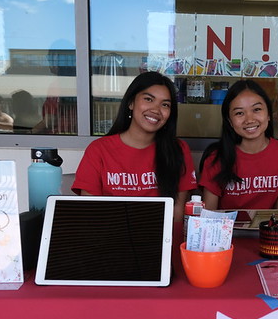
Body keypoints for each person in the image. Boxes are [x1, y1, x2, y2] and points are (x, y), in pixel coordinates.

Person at [72, 71, 197, 220]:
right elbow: (90, 212)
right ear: (131, 102)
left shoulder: (178, 150)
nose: (156, 110)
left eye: (165, 105)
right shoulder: (98, 150)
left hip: (162, 240)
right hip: (111, 239)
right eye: (148, 99)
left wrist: (172, 243)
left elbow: (177, 211)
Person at [198, 80, 278, 213]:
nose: (249, 119)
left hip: (269, 233)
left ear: (269, 114)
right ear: (230, 121)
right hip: (226, 232)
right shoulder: (215, 158)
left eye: (257, 110)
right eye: (239, 113)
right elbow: (209, 217)